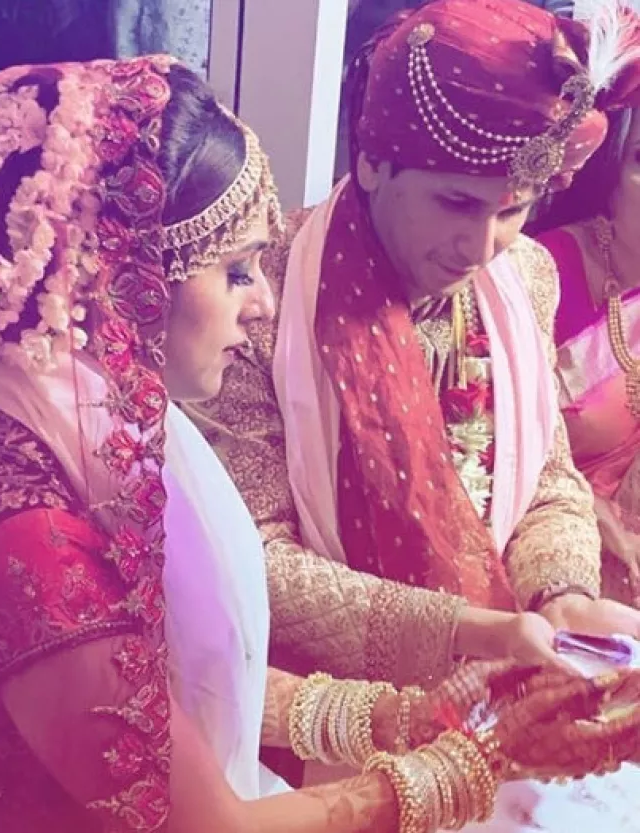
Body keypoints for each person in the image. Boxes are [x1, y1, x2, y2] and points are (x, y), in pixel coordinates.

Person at [0, 54, 636, 833]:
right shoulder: (36, 535)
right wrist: (474, 758)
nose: (260, 300)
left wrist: (428, 709)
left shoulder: (111, 424)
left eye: (514, 208)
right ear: (121, 279)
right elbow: (213, 825)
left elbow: (199, 682)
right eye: (236, 270)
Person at [183, 0, 640, 821]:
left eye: (513, 208)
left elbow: (548, 479)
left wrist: (560, 595)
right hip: (313, 732)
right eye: (457, 202)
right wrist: (469, 630)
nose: (483, 246)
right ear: (372, 162)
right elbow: (258, 563)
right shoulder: (259, 297)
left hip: (498, 694)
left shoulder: (524, 277)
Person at [535, 104, 640, 608]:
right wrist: (591, 513)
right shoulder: (542, 272)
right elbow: (487, 443)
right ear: (609, 169)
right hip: (545, 556)